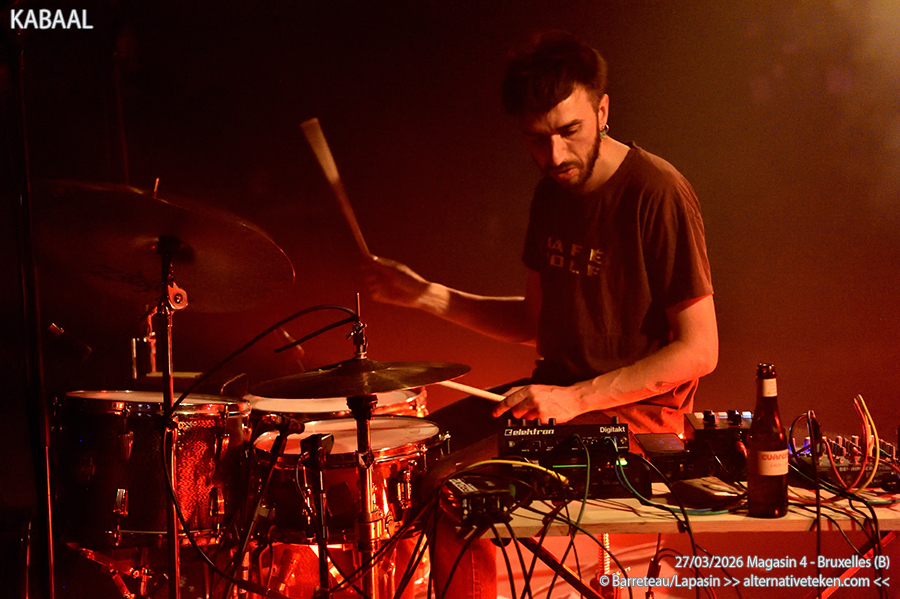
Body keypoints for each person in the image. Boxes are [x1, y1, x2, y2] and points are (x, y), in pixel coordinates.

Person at [364, 30, 718, 598]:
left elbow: (700, 350)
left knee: (448, 486)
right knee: (408, 458)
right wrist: (424, 294)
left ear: (603, 110)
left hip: (636, 421)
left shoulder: (657, 192)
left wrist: (574, 399)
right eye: (536, 139)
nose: (553, 156)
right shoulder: (551, 195)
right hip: (557, 400)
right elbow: (535, 321)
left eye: (569, 131)